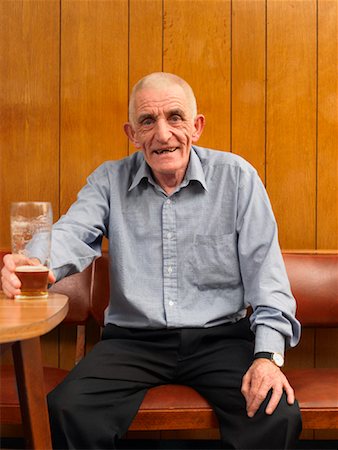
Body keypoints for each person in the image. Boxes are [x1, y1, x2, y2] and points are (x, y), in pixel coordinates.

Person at [1, 72, 302, 449]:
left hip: (221, 340)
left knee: (276, 414)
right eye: (148, 121)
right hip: (132, 343)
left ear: (197, 126)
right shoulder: (108, 180)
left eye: (175, 117)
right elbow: (71, 232)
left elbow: (268, 278)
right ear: (132, 133)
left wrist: (267, 358)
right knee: (67, 409)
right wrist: (31, 261)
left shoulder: (238, 178)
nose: (162, 134)